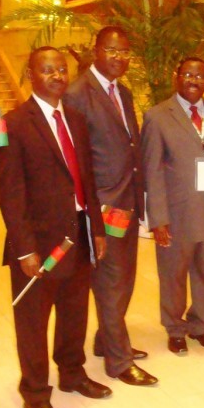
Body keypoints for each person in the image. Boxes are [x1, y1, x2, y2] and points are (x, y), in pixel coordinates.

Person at [0, 47, 110, 408]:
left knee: (75, 312)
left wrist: (97, 229)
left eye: (62, 69)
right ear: (30, 74)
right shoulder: (13, 123)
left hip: (77, 235)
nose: (57, 76)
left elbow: (87, 182)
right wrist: (24, 248)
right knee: (32, 323)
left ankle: (73, 374)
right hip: (39, 245)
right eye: (47, 70)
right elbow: (10, 193)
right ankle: (35, 393)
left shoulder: (75, 119)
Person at [64, 26, 157, 386]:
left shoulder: (125, 92)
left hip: (127, 200)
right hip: (104, 206)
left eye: (125, 52)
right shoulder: (77, 94)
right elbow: (76, 159)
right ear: (96, 50)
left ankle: (106, 341)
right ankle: (119, 362)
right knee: (112, 281)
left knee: (124, 276)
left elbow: (131, 148)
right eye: (112, 51)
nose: (120, 58)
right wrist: (90, 210)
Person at [141, 57, 204, 354]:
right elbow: (152, 170)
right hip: (176, 214)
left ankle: (200, 324)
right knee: (173, 274)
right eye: (188, 74)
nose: (194, 80)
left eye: (200, 75)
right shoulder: (158, 117)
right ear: (177, 77)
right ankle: (174, 327)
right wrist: (157, 218)